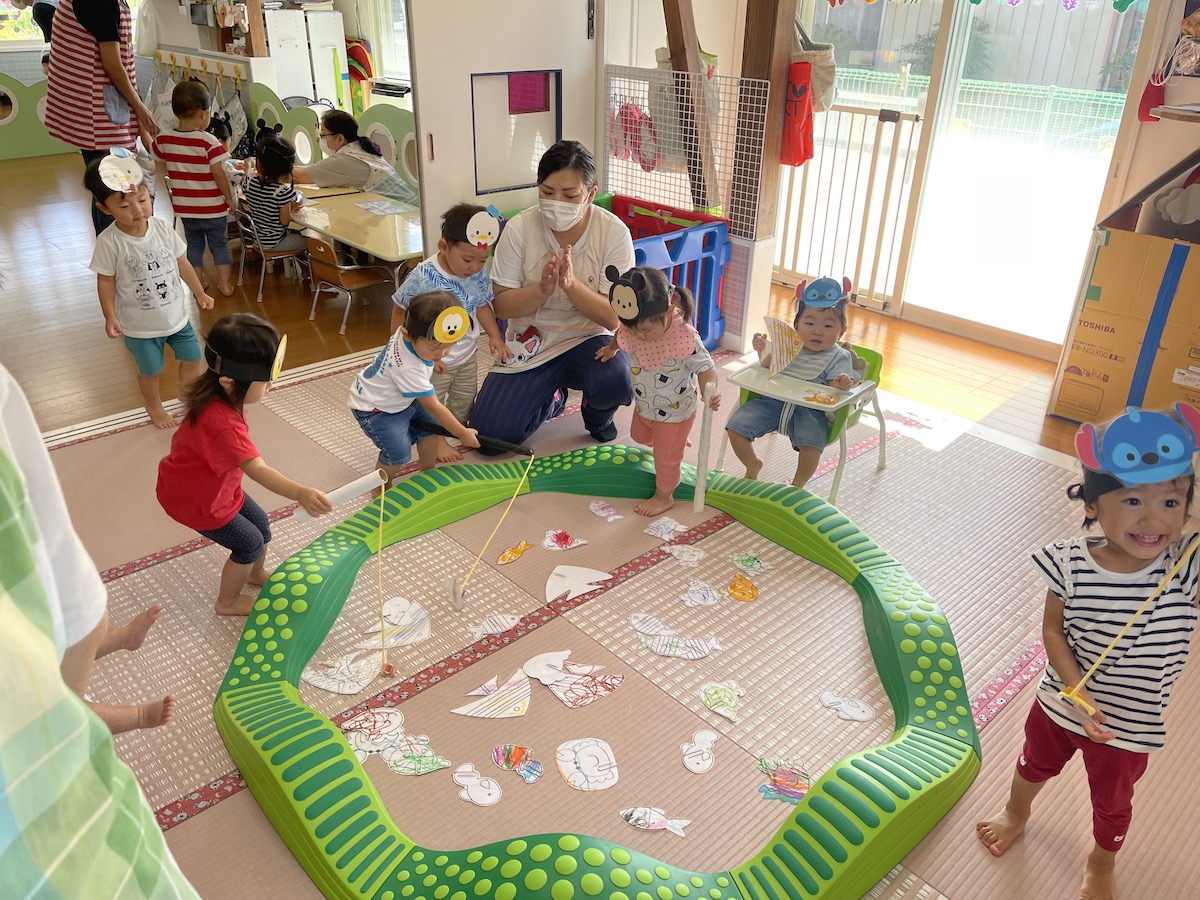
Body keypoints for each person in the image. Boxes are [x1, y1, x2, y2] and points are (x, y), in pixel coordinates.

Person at [976, 402, 1200, 900]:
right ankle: (1016, 812)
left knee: (1113, 802)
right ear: (1094, 504)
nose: (1153, 519)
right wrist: (1075, 688)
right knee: (1032, 764)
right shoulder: (1069, 562)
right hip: (1060, 702)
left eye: (1171, 502)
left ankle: (1101, 862)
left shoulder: (1186, 564)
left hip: (1130, 724)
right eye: (1133, 500)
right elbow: (1053, 631)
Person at [0, 362, 199, 898]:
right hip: (34, 686)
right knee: (62, 702)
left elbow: (66, 602)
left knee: (57, 645)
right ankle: (135, 714)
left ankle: (119, 640)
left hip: (47, 633)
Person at [157, 315, 333, 616]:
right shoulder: (222, 423)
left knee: (261, 527)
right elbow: (258, 469)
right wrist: (300, 491)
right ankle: (227, 601)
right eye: (265, 380)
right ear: (229, 381)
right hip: (198, 500)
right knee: (249, 544)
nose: (271, 384)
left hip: (216, 486)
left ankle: (252, 572)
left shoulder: (217, 396)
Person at [469, 141, 636, 450]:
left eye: (570, 195)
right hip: (532, 341)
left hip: (589, 339)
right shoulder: (519, 229)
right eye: (547, 192)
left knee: (615, 377)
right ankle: (553, 399)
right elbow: (502, 307)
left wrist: (572, 286)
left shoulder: (613, 232)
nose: (557, 202)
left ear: (590, 192)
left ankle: (598, 417)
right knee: (489, 440)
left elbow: (613, 318)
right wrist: (542, 291)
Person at [85, 151, 215, 429]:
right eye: (126, 207)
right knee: (151, 370)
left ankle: (189, 398)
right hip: (140, 326)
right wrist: (110, 316)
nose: (138, 210)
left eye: (143, 200)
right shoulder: (109, 242)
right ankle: (153, 405)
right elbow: (105, 281)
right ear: (104, 208)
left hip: (177, 318)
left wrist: (199, 293)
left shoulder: (161, 228)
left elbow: (183, 262)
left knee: (193, 357)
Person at [391, 203, 510, 462]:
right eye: (468, 260)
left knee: (464, 398)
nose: (475, 267)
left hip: (466, 354)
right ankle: (437, 441)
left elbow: (481, 306)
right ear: (443, 246)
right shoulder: (423, 277)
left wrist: (494, 335)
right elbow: (400, 309)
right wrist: (403, 349)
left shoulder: (476, 275)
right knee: (432, 403)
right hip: (433, 359)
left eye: (482, 260)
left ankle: (453, 427)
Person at [597, 266, 720, 516]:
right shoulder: (632, 327)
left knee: (665, 460)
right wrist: (612, 349)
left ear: (670, 311)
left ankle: (664, 496)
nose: (638, 336)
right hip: (646, 405)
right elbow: (621, 334)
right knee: (638, 435)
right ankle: (672, 442)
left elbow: (706, 367)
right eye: (633, 330)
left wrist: (710, 392)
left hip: (676, 411)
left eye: (645, 331)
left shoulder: (684, 337)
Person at [724, 277, 857, 487]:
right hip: (772, 402)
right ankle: (752, 464)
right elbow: (767, 366)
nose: (817, 330)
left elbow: (833, 388)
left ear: (841, 331)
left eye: (828, 325)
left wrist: (840, 384)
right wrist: (762, 349)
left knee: (812, 447)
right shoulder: (789, 345)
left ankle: (797, 484)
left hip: (809, 410)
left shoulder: (838, 356)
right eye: (810, 323)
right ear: (796, 326)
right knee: (735, 428)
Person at [45, 0, 157, 236]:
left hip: (99, 108)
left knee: (105, 189)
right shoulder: (100, 3)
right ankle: (117, 256)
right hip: (98, 112)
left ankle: (112, 256)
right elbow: (113, 65)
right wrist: (139, 107)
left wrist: (139, 121)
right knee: (115, 192)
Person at [350, 290, 482, 485]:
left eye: (449, 346)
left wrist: (431, 357)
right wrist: (462, 433)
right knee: (398, 452)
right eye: (435, 349)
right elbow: (435, 407)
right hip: (375, 409)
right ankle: (380, 487)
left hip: (400, 398)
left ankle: (427, 474)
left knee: (430, 429)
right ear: (407, 334)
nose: (443, 353)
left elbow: (427, 352)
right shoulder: (408, 369)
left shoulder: (410, 333)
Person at [153, 81, 237, 297]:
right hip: (213, 207)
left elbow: (154, 152)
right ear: (203, 114)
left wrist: (144, 127)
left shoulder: (164, 139)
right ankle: (225, 286)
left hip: (186, 209)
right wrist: (229, 198)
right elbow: (219, 174)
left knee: (194, 246)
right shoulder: (208, 142)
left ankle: (198, 284)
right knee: (219, 245)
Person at [292, 109, 418, 206]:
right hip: (410, 208)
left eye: (323, 135)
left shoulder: (344, 162)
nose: (320, 139)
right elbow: (312, 169)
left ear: (340, 138)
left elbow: (298, 176)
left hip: (404, 213)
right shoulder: (361, 149)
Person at [242, 132, 309, 252]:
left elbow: (245, 178)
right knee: (310, 241)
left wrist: (247, 165)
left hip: (258, 240)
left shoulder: (250, 184)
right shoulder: (283, 193)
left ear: (260, 164)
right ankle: (296, 269)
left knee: (296, 235)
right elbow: (285, 221)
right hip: (275, 242)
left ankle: (292, 267)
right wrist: (292, 206)